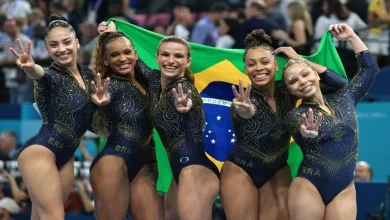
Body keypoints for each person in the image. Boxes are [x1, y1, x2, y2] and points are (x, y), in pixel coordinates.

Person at [220, 29, 347, 220]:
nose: (258, 68)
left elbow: (338, 84)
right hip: (241, 170)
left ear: (276, 65)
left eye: (265, 62)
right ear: (245, 69)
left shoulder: (288, 90)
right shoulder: (242, 101)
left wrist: (298, 59)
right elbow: (247, 114)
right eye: (251, 64)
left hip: (278, 170)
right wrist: (245, 111)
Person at [281, 23, 379, 220]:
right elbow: (302, 131)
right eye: (293, 81)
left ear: (315, 75)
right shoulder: (295, 115)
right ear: (290, 91)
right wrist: (307, 134)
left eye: (305, 74)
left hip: (344, 189)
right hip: (309, 186)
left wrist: (352, 36)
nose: (302, 81)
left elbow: (370, 69)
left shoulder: (345, 96)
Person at [10, 15, 96, 219]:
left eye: (66, 42)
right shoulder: (50, 75)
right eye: (54, 45)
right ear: (48, 49)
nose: (62, 49)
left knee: (41, 216)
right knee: (54, 216)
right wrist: (29, 66)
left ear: (76, 43)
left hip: (66, 156)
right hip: (41, 152)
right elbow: (37, 73)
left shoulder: (89, 76)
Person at [88, 31, 163, 220]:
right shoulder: (108, 85)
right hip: (112, 162)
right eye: (114, 55)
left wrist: (116, 30)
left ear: (136, 54)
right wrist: (101, 103)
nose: (122, 58)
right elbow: (101, 101)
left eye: (127, 52)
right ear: (105, 60)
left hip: (141, 168)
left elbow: (154, 72)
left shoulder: (149, 81)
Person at [152, 35, 220, 220]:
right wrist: (110, 31)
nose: (171, 60)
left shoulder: (186, 90)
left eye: (178, 56)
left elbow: (193, 108)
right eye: (165, 54)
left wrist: (187, 108)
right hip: (181, 172)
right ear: (156, 57)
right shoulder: (157, 85)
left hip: (195, 172)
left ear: (188, 61)